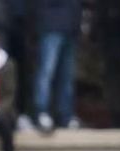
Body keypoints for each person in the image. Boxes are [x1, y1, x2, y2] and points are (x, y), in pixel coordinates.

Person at [33, 0, 80, 134]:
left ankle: (66, 115)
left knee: (67, 76)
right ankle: (42, 112)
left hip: (71, 26)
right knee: (46, 72)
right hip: (51, 25)